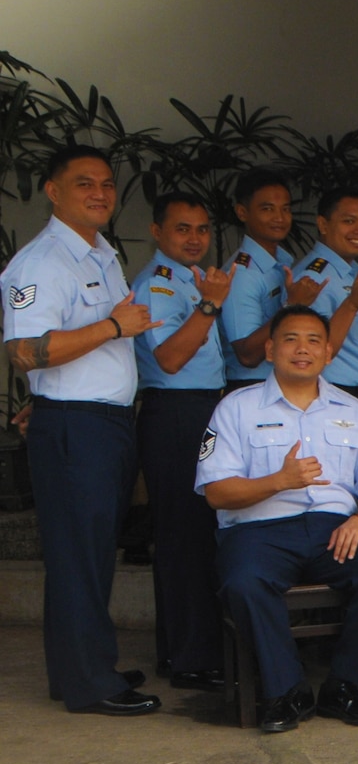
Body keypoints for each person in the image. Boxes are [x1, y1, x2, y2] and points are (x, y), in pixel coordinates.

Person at [2, 145, 162, 716]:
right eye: (84, 184)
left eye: (106, 184)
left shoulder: (99, 253)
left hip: (102, 423)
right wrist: (114, 324)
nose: (99, 193)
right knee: (77, 556)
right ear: (53, 191)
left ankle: (82, 668)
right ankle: (89, 683)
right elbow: (24, 351)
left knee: (91, 555)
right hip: (78, 429)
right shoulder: (42, 263)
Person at [197, 305, 358, 732]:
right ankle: (286, 691)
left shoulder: (353, 409)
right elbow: (217, 492)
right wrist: (278, 481)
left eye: (314, 341)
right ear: (270, 348)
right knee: (243, 581)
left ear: (329, 352)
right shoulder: (236, 409)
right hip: (260, 531)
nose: (302, 349)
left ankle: (346, 686)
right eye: (291, 339)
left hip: (337, 528)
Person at [135, 191, 231, 693]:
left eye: (201, 229)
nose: (194, 239)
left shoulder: (192, 280)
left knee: (190, 531)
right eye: (181, 229)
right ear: (157, 232)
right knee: (184, 532)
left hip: (200, 408)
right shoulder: (159, 284)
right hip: (175, 411)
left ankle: (180, 650)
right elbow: (171, 359)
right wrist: (212, 304)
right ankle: (193, 657)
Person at [289, 189, 358, 409]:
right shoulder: (313, 277)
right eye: (349, 221)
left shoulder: (351, 271)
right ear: (323, 225)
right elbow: (317, 348)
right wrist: (351, 305)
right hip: (334, 394)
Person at [221, 170, 316, 389]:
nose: (279, 218)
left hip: (279, 384)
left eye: (286, 209)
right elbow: (247, 355)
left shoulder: (281, 262)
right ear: (242, 212)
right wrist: (293, 306)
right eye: (267, 209)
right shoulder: (242, 273)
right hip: (250, 386)